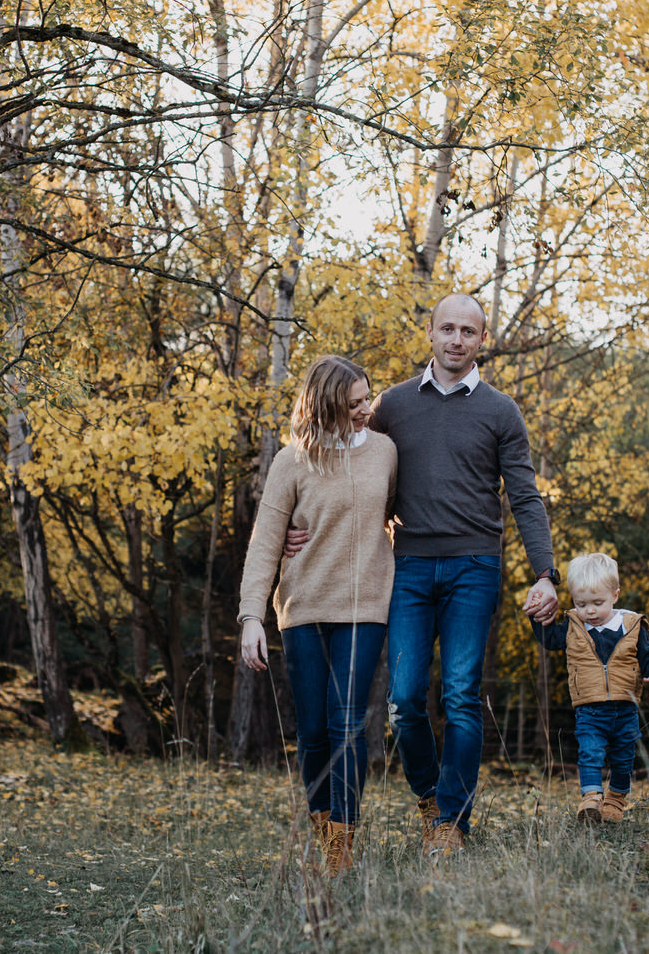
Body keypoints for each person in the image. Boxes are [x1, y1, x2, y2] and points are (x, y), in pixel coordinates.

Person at [289, 294, 560, 854]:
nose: (456, 340)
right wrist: (301, 521)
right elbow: (345, 469)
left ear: (481, 340)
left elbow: (526, 498)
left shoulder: (501, 410)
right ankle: (429, 798)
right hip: (406, 565)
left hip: (474, 567)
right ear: (431, 333)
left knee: (461, 694)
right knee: (404, 702)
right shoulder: (392, 406)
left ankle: (451, 824)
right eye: (447, 329)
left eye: (468, 331)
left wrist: (546, 573)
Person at [238, 355, 398, 875]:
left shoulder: (385, 452)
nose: (365, 410)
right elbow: (265, 543)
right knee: (312, 730)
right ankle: (322, 824)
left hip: (363, 606)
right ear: (326, 404)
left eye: (367, 398)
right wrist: (250, 618)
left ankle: (342, 846)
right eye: (353, 403)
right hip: (303, 607)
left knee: (348, 722)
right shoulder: (291, 461)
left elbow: (397, 512)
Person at [528, 552, 649, 823]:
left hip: (625, 708)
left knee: (624, 757)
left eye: (597, 603)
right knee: (589, 752)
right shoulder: (573, 626)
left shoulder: (632, 626)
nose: (589, 611)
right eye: (581, 604)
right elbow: (549, 639)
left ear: (615, 595)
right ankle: (591, 799)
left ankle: (616, 800)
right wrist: (537, 615)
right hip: (589, 709)